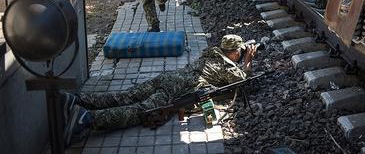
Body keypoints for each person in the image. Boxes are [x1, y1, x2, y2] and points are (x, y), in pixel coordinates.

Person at [63, 35, 258, 145]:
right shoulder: (226, 67)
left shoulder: (211, 52)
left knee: (126, 95)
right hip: (174, 91)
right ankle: (86, 120)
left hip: (167, 77)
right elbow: (244, 82)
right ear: (233, 52)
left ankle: (79, 99)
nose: (241, 55)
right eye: (240, 52)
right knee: (140, 111)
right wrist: (247, 62)